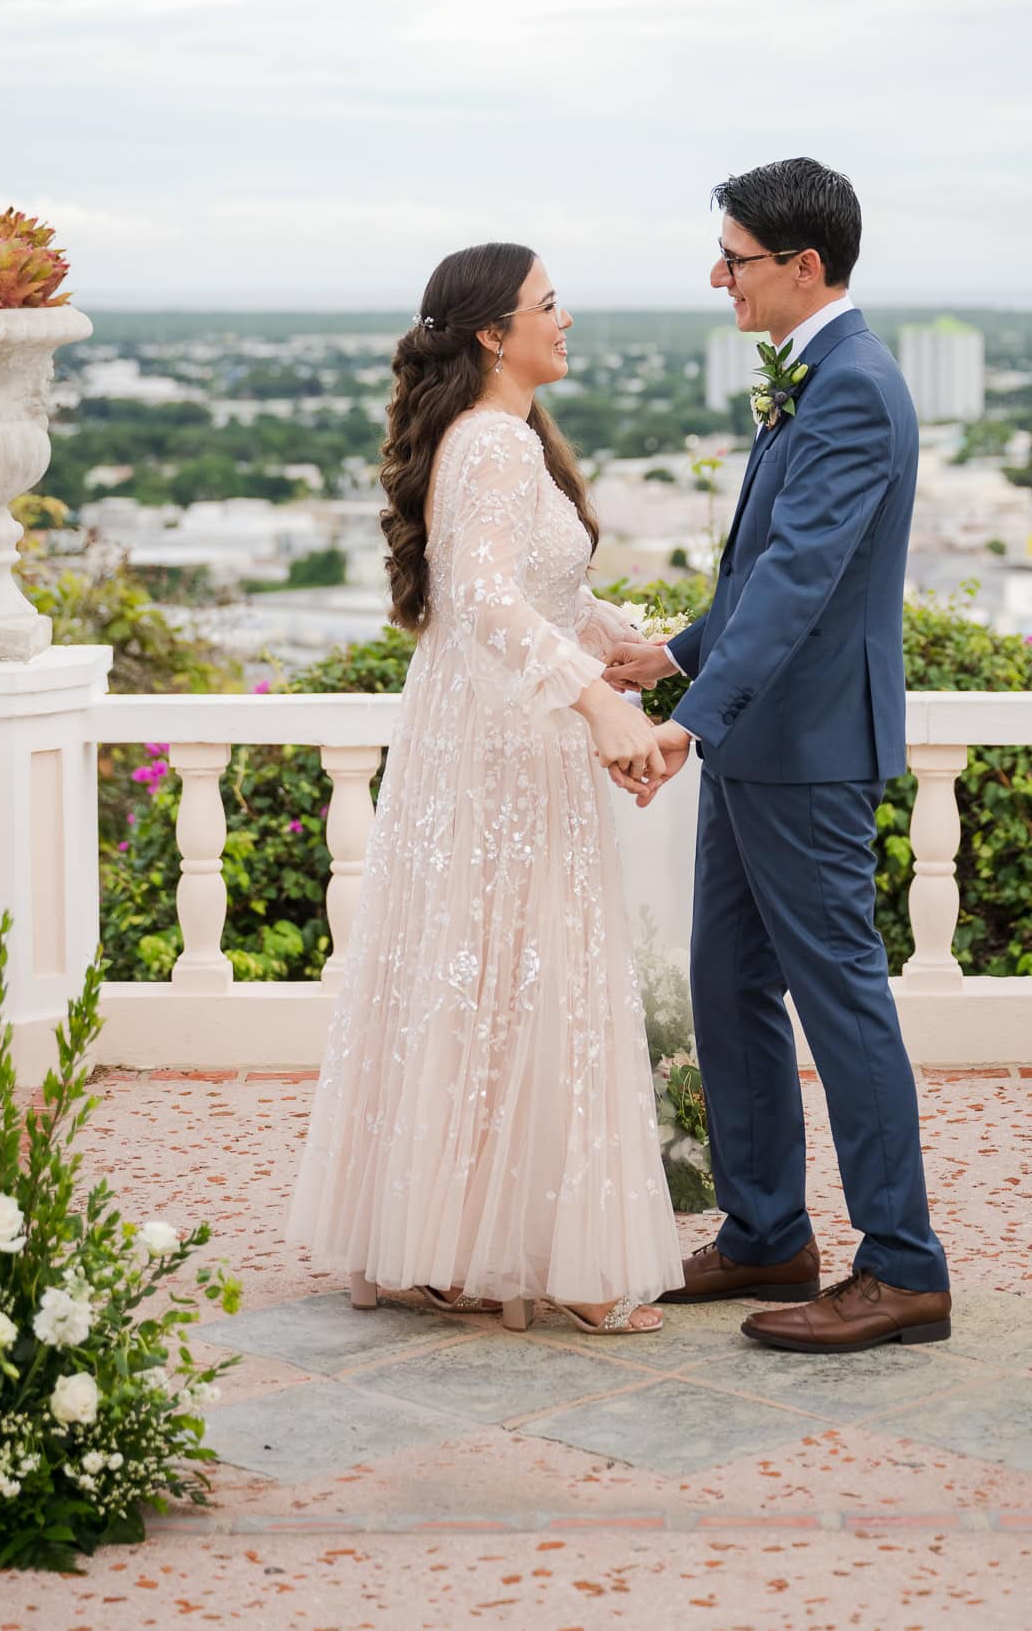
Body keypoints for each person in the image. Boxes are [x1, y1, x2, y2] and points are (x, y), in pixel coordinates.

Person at [287, 242, 683, 1336]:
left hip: (496, 733)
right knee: (533, 967)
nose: (567, 319)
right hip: (505, 745)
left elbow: (547, 598)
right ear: (493, 335)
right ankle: (575, 1264)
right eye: (547, 305)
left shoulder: (497, 440)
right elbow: (486, 601)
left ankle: (445, 1245)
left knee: (489, 972)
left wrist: (638, 654)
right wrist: (597, 705)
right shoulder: (497, 447)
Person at [604, 157, 952, 1353]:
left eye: (737, 257)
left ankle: (903, 1265)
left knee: (840, 999)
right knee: (727, 980)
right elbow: (760, 573)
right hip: (759, 741)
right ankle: (765, 1233)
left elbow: (805, 578)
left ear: (806, 266)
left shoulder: (852, 387)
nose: (720, 275)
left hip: (803, 751)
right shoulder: (813, 378)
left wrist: (689, 721)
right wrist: (672, 654)